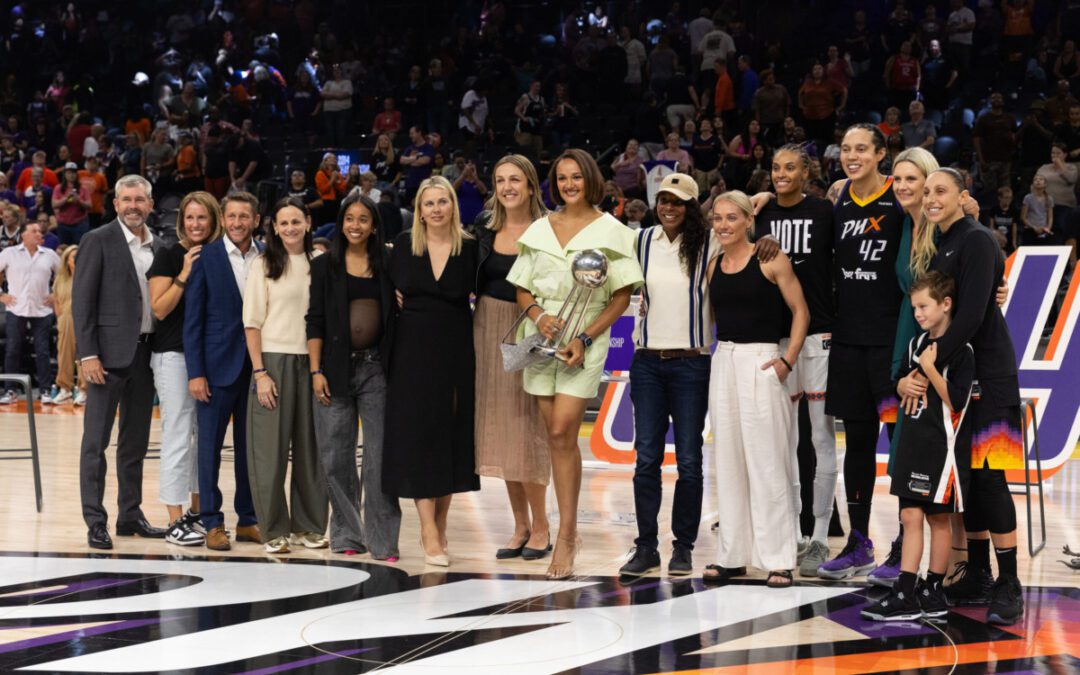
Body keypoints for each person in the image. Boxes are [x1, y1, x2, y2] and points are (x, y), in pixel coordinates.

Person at [508, 149, 644, 579]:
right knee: (553, 436)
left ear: (590, 179)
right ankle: (560, 529)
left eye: (576, 177)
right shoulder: (539, 228)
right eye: (562, 178)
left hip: (585, 338)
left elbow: (621, 295)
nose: (569, 185)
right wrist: (539, 317)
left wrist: (586, 337)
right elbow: (522, 290)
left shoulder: (613, 230)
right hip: (541, 336)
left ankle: (567, 537)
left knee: (564, 429)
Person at [920, 167, 1025, 626]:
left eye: (940, 190)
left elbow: (975, 312)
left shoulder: (977, 239)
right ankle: (979, 572)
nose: (930, 198)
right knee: (967, 478)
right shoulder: (942, 242)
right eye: (926, 192)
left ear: (963, 197)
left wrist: (931, 359)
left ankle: (1010, 582)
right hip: (961, 373)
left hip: (990, 373)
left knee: (988, 479)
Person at [703, 190, 809, 588]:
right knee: (728, 462)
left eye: (733, 217)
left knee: (767, 463)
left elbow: (801, 311)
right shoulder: (714, 265)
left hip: (763, 360)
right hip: (724, 359)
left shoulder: (770, 258)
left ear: (749, 220)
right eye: (719, 218)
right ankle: (732, 556)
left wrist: (787, 360)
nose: (724, 225)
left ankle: (779, 558)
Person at [816, 125, 906, 580]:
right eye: (846, 149)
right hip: (849, 340)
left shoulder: (901, 195)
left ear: (880, 154)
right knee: (859, 446)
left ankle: (905, 548)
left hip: (892, 343)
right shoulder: (838, 200)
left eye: (861, 149)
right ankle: (859, 541)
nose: (851, 156)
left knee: (903, 447)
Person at [618, 173, 718, 578]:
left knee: (690, 461)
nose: (669, 208)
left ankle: (683, 547)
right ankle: (645, 547)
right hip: (646, 362)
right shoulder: (641, 241)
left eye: (677, 202)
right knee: (646, 460)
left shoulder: (710, 243)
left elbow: (747, 223)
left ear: (692, 206)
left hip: (692, 362)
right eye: (663, 200)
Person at [862, 271, 973, 622]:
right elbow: (903, 383)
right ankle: (906, 591)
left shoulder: (962, 349)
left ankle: (934, 588)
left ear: (946, 304)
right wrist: (902, 386)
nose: (919, 314)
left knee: (938, 519)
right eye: (914, 308)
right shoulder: (915, 344)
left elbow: (956, 401)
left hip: (942, 449)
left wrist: (931, 369)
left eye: (924, 306)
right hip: (911, 442)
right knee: (909, 515)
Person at [384, 176, 479, 567]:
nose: (436, 209)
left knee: (451, 436)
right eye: (429, 203)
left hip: (456, 349)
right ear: (419, 209)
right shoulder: (403, 246)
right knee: (421, 437)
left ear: (453, 206)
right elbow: (380, 287)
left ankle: (440, 524)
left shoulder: (471, 248)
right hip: (412, 350)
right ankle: (427, 530)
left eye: (443, 202)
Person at [752, 145, 838, 578]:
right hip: (775, 338)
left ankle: (820, 534)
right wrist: (758, 200)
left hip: (818, 334)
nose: (781, 174)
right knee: (782, 440)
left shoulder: (826, 213)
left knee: (820, 436)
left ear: (807, 171)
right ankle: (790, 530)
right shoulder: (758, 215)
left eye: (790, 167)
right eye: (775, 167)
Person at [73, 175, 166, 549]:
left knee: (135, 443)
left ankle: (130, 514)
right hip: (106, 358)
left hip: (146, 355)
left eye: (139, 199)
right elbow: (82, 303)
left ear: (150, 204)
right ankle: (95, 521)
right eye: (126, 199)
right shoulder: (97, 240)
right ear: (114, 204)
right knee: (95, 443)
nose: (132, 205)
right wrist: (88, 353)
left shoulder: (160, 246)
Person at [307, 192, 401, 559]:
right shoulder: (324, 265)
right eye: (350, 219)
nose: (356, 225)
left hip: (378, 367)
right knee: (336, 456)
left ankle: (383, 541)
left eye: (363, 219)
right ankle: (347, 536)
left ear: (374, 224)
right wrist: (316, 370)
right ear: (341, 223)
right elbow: (313, 320)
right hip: (334, 368)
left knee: (380, 458)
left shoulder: (389, 261)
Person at [473, 156, 551, 561]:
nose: (507, 187)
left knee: (528, 430)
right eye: (500, 179)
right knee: (503, 431)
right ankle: (519, 525)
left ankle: (541, 526)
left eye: (514, 179)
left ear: (531, 184)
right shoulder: (483, 228)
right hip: (487, 329)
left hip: (531, 330)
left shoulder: (550, 228)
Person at [244, 197, 329, 554]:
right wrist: (260, 372)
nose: (291, 228)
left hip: (312, 363)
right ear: (274, 228)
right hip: (274, 363)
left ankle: (308, 527)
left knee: (312, 450)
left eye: (297, 221)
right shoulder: (262, 264)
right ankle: (274, 529)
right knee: (270, 453)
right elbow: (251, 323)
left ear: (308, 222)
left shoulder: (322, 263)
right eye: (284, 223)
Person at [183, 191, 263, 551]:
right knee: (209, 450)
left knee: (251, 450)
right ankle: (212, 523)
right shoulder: (207, 256)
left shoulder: (266, 255)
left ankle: (248, 520)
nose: (237, 222)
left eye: (244, 216)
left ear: (255, 220)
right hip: (215, 369)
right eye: (231, 216)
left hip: (258, 369)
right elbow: (193, 320)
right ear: (223, 219)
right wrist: (195, 372)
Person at [147, 192, 222, 547]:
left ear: (213, 220)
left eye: (202, 218)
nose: (195, 224)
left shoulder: (220, 253)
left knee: (202, 440)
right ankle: (174, 518)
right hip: (174, 356)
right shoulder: (169, 253)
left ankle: (197, 511)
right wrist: (185, 273)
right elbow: (159, 309)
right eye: (190, 218)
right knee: (177, 435)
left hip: (209, 359)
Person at [0, 221, 60, 405]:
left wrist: (55, 293)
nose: (38, 233)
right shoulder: (9, 253)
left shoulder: (49, 255)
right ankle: (10, 390)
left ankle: (45, 391)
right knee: (12, 350)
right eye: (34, 230)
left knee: (42, 351)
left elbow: (64, 275)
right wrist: (2, 295)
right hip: (16, 308)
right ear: (23, 235)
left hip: (42, 309)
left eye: (40, 231)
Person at [51, 245, 82, 405]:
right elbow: (56, 302)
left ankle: (84, 390)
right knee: (64, 354)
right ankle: (65, 389)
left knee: (83, 354)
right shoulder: (60, 279)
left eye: (78, 256)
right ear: (66, 260)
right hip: (65, 318)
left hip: (83, 318)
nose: (76, 259)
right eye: (73, 257)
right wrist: (62, 318)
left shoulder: (86, 276)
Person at [51, 162, 92, 245]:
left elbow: (90, 205)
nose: (71, 175)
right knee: (63, 248)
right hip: (63, 224)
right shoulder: (58, 188)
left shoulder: (83, 189)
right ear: (65, 174)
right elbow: (54, 204)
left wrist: (79, 200)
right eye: (69, 172)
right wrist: (66, 199)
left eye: (73, 172)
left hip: (79, 224)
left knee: (80, 248)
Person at [400, 126, 435, 203]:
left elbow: (425, 161)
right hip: (410, 184)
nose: (410, 136)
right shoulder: (409, 148)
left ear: (419, 133)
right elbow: (402, 160)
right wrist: (415, 159)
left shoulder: (428, 147)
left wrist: (409, 160)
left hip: (424, 184)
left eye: (412, 133)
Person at [1020, 174, 1057, 245]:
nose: (1038, 181)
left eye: (1040, 179)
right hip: (1030, 229)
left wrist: (1047, 228)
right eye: (1035, 179)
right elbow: (1023, 217)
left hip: (1044, 230)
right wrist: (1034, 228)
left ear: (1045, 184)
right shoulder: (1028, 198)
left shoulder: (1049, 199)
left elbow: (1050, 217)